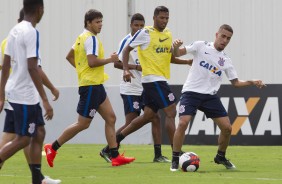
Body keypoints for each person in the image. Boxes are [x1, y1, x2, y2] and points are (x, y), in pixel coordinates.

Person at [44, 9, 135, 168]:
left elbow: (69, 56)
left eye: (101, 21)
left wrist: (81, 70)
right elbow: (92, 62)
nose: (100, 25)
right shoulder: (90, 39)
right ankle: (52, 148)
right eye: (97, 22)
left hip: (96, 85)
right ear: (88, 23)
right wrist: (110, 59)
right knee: (83, 124)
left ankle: (114, 156)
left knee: (111, 118)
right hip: (91, 87)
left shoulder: (81, 37)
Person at [170, 24, 266, 171]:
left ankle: (220, 156)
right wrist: (176, 46)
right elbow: (177, 54)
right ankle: (175, 159)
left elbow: (235, 83)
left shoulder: (226, 60)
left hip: (210, 96)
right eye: (223, 36)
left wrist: (252, 82)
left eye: (228, 38)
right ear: (216, 35)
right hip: (191, 93)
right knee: (183, 123)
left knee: (227, 128)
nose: (225, 40)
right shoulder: (200, 46)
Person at [117, 6, 192, 157]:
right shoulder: (145, 33)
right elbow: (126, 50)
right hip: (152, 79)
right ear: (154, 18)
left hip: (160, 79)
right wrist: (126, 69)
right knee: (171, 111)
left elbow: (169, 57)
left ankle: (114, 142)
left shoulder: (168, 34)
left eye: (167, 18)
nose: (164, 21)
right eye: (161, 18)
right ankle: (176, 152)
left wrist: (186, 62)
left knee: (147, 116)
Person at [100, 13, 172, 163]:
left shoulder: (148, 38)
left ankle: (158, 155)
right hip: (130, 88)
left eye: (141, 25)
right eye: (136, 25)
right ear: (131, 25)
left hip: (146, 86)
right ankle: (109, 149)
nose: (138, 28)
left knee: (156, 117)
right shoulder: (126, 41)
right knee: (131, 122)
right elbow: (117, 63)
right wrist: (133, 67)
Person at [0, 8, 61, 184]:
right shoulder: (31, 32)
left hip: (17, 92)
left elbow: (5, 66)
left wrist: (2, 93)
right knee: (24, 138)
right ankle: (37, 178)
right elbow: (33, 67)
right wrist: (45, 98)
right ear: (40, 10)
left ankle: (37, 178)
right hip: (24, 94)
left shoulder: (14, 31)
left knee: (38, 132)